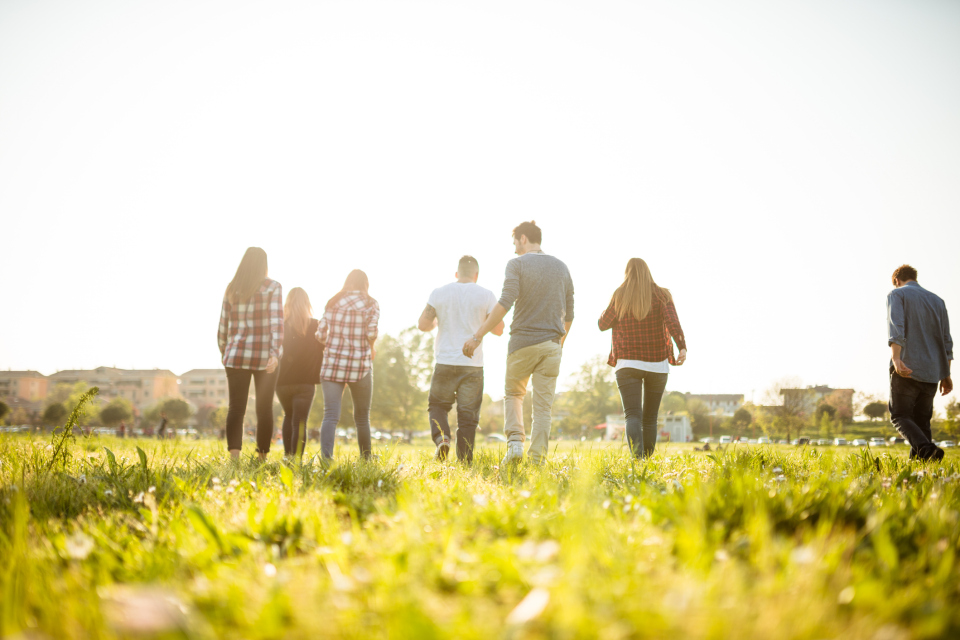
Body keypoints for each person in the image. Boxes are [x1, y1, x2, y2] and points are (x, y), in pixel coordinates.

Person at [463, 221, 574, 466]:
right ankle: (537, 461)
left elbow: (505, 302)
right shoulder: (562, 267)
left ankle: (514, 445)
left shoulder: (516, 264)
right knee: (543, 408)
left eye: (515, 243)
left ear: (523, 238)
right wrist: (558, 344)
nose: (514, 249)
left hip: (522, 344)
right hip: (552, 345)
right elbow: (570, 315)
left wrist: (478, 334)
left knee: (514, 394)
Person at [418, 255, 504, 463]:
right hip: (472, 365)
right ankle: (465, 462)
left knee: (438, 406)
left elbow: (423, 324)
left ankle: (442, 439)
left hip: (445, 361)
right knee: (468, 417)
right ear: (476, 275)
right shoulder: (486, 295)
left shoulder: (439, 293)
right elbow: (499, 330)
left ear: (457, 274)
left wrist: (438, 321)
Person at [599, 258, 687, 458]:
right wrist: (681, 347)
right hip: (657, 364)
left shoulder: (620, 295)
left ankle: (637, 461)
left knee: (633, 416)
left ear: (627, 274)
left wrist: (611, 305)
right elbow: (673, 321)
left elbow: (603, 324)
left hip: (627, 363)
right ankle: (646, 462)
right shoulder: (662, 294)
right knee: (650, 418)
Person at [217, 247, 283, 461]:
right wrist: (275, 352)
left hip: (235, 355)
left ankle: (234, 457)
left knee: (236, 408)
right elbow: (276, 322)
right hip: (265, 357)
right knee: (264, 408)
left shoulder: (232, 288)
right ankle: (262, 457)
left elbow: (223, 325)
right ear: (264, 264)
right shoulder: (272, 287)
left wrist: (225, 351)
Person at [887, 264, 953, 461]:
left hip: (908, 367)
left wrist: (896, 358)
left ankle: (926, 449)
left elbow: (896, 328)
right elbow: (946, 340)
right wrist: (946, 374)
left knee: (899, 416)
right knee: (922, 423)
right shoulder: (938, 301)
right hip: (932, 371)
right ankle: (922, 470)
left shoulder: (897, 294)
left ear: (897, 280)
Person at [316, 270, 379, 461]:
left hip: (332, 365)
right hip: (359, 366)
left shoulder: (333, 302)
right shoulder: (370, 303)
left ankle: (326, 459)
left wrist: (334, 343)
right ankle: (366, 458)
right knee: (362, 417)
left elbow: (319, 334)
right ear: (365, 284)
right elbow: (371, 334)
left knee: (330, 415)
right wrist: (371, 347)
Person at [275, 287, 323, 460]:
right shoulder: (315, 326)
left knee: (288, 416)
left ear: (288, 304)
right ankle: (296, 461)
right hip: (305, 383)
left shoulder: (281, 326)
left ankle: (287, 457)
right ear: (307, 304)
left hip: (281, 383)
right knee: (300, 422)